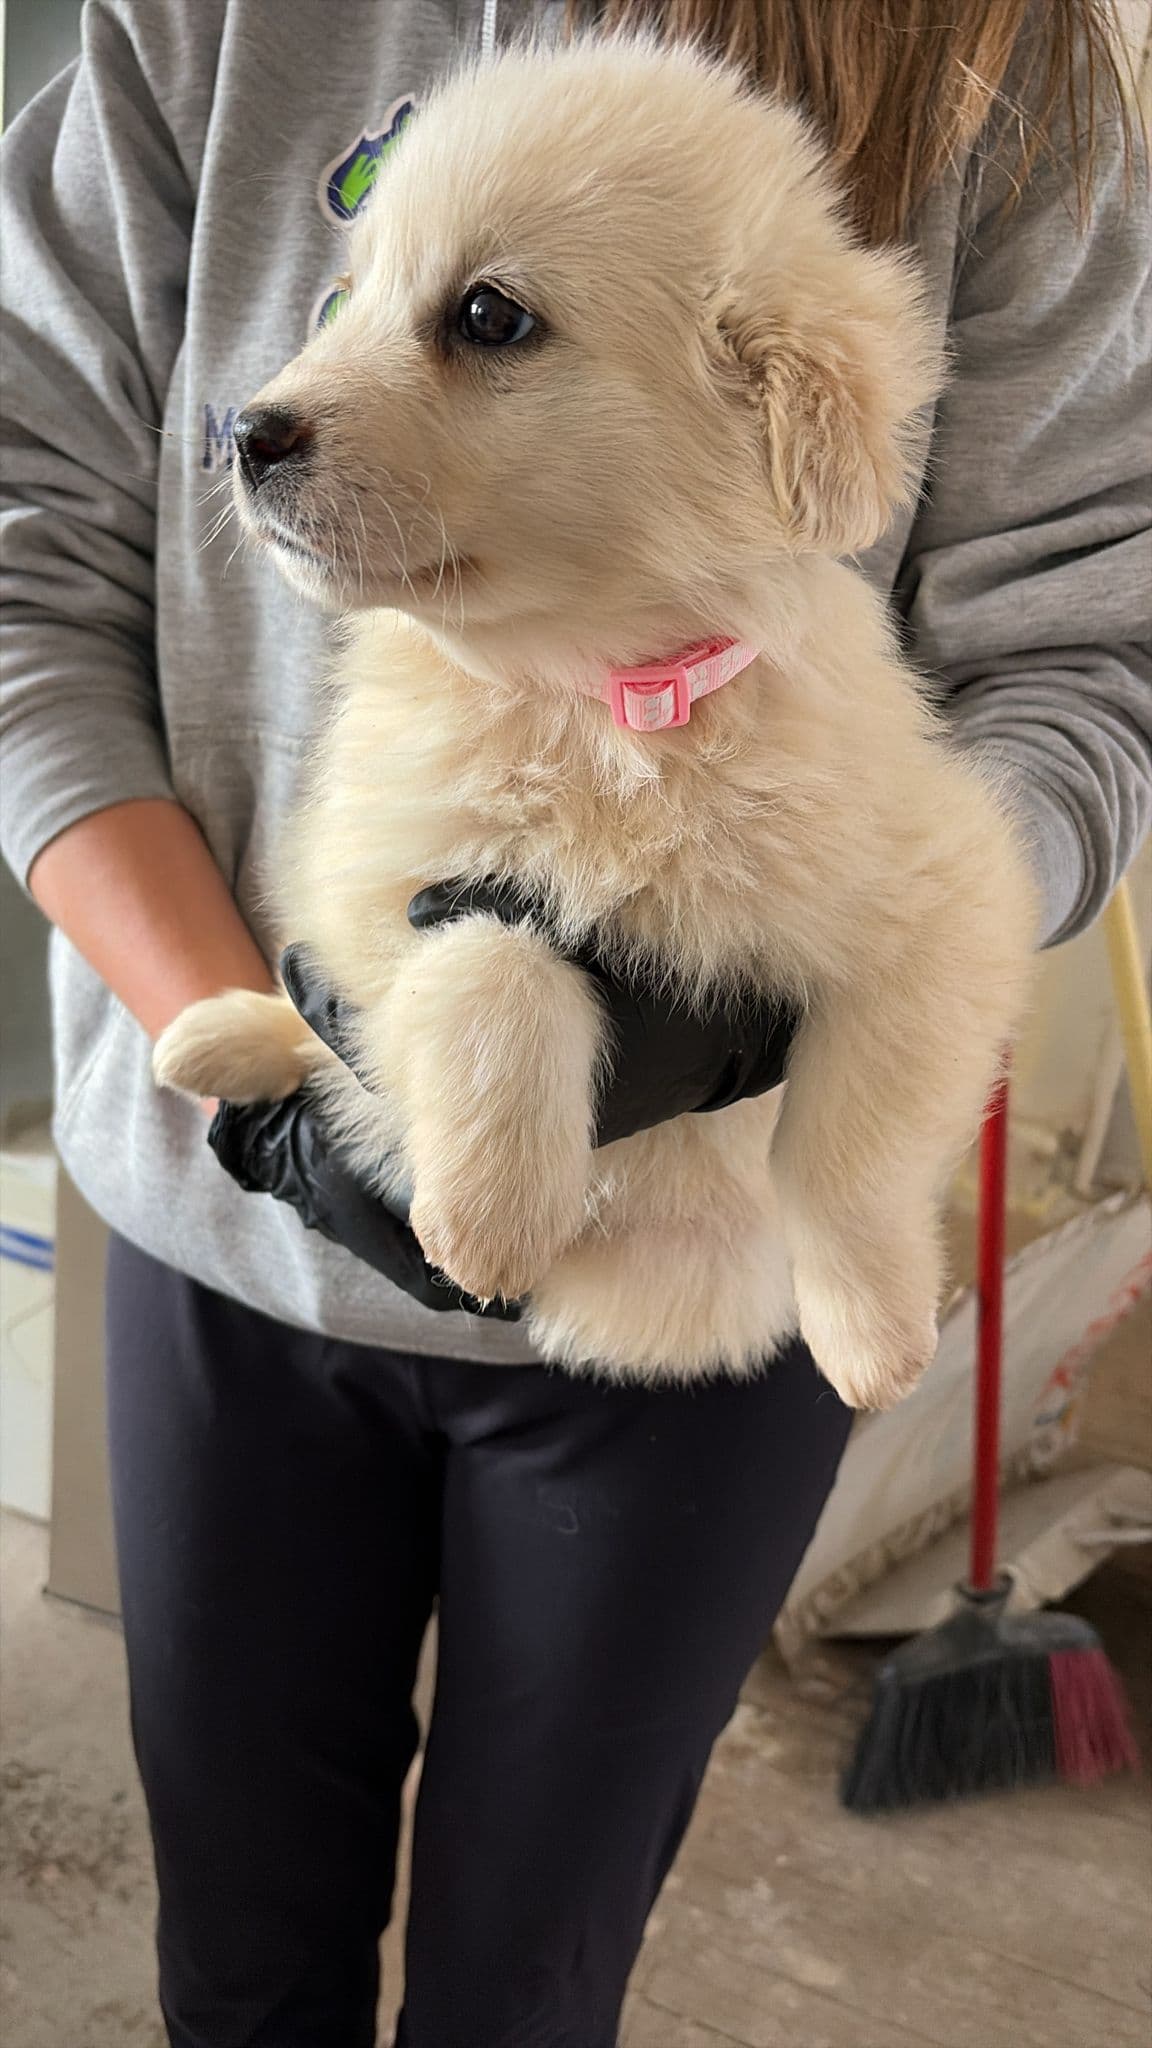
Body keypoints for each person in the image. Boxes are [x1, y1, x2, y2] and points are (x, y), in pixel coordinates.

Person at [1, 2, 1148, 2043]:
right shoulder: (213, 24)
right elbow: (26, 543)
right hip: (232, 1228)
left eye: (491, 322)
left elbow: (1083, 659)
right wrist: (267, 1061)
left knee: (528, 1985)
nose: (287, 394)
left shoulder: (988, 68)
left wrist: (838, 998)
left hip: (706, 1293)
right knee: (241, 1957)